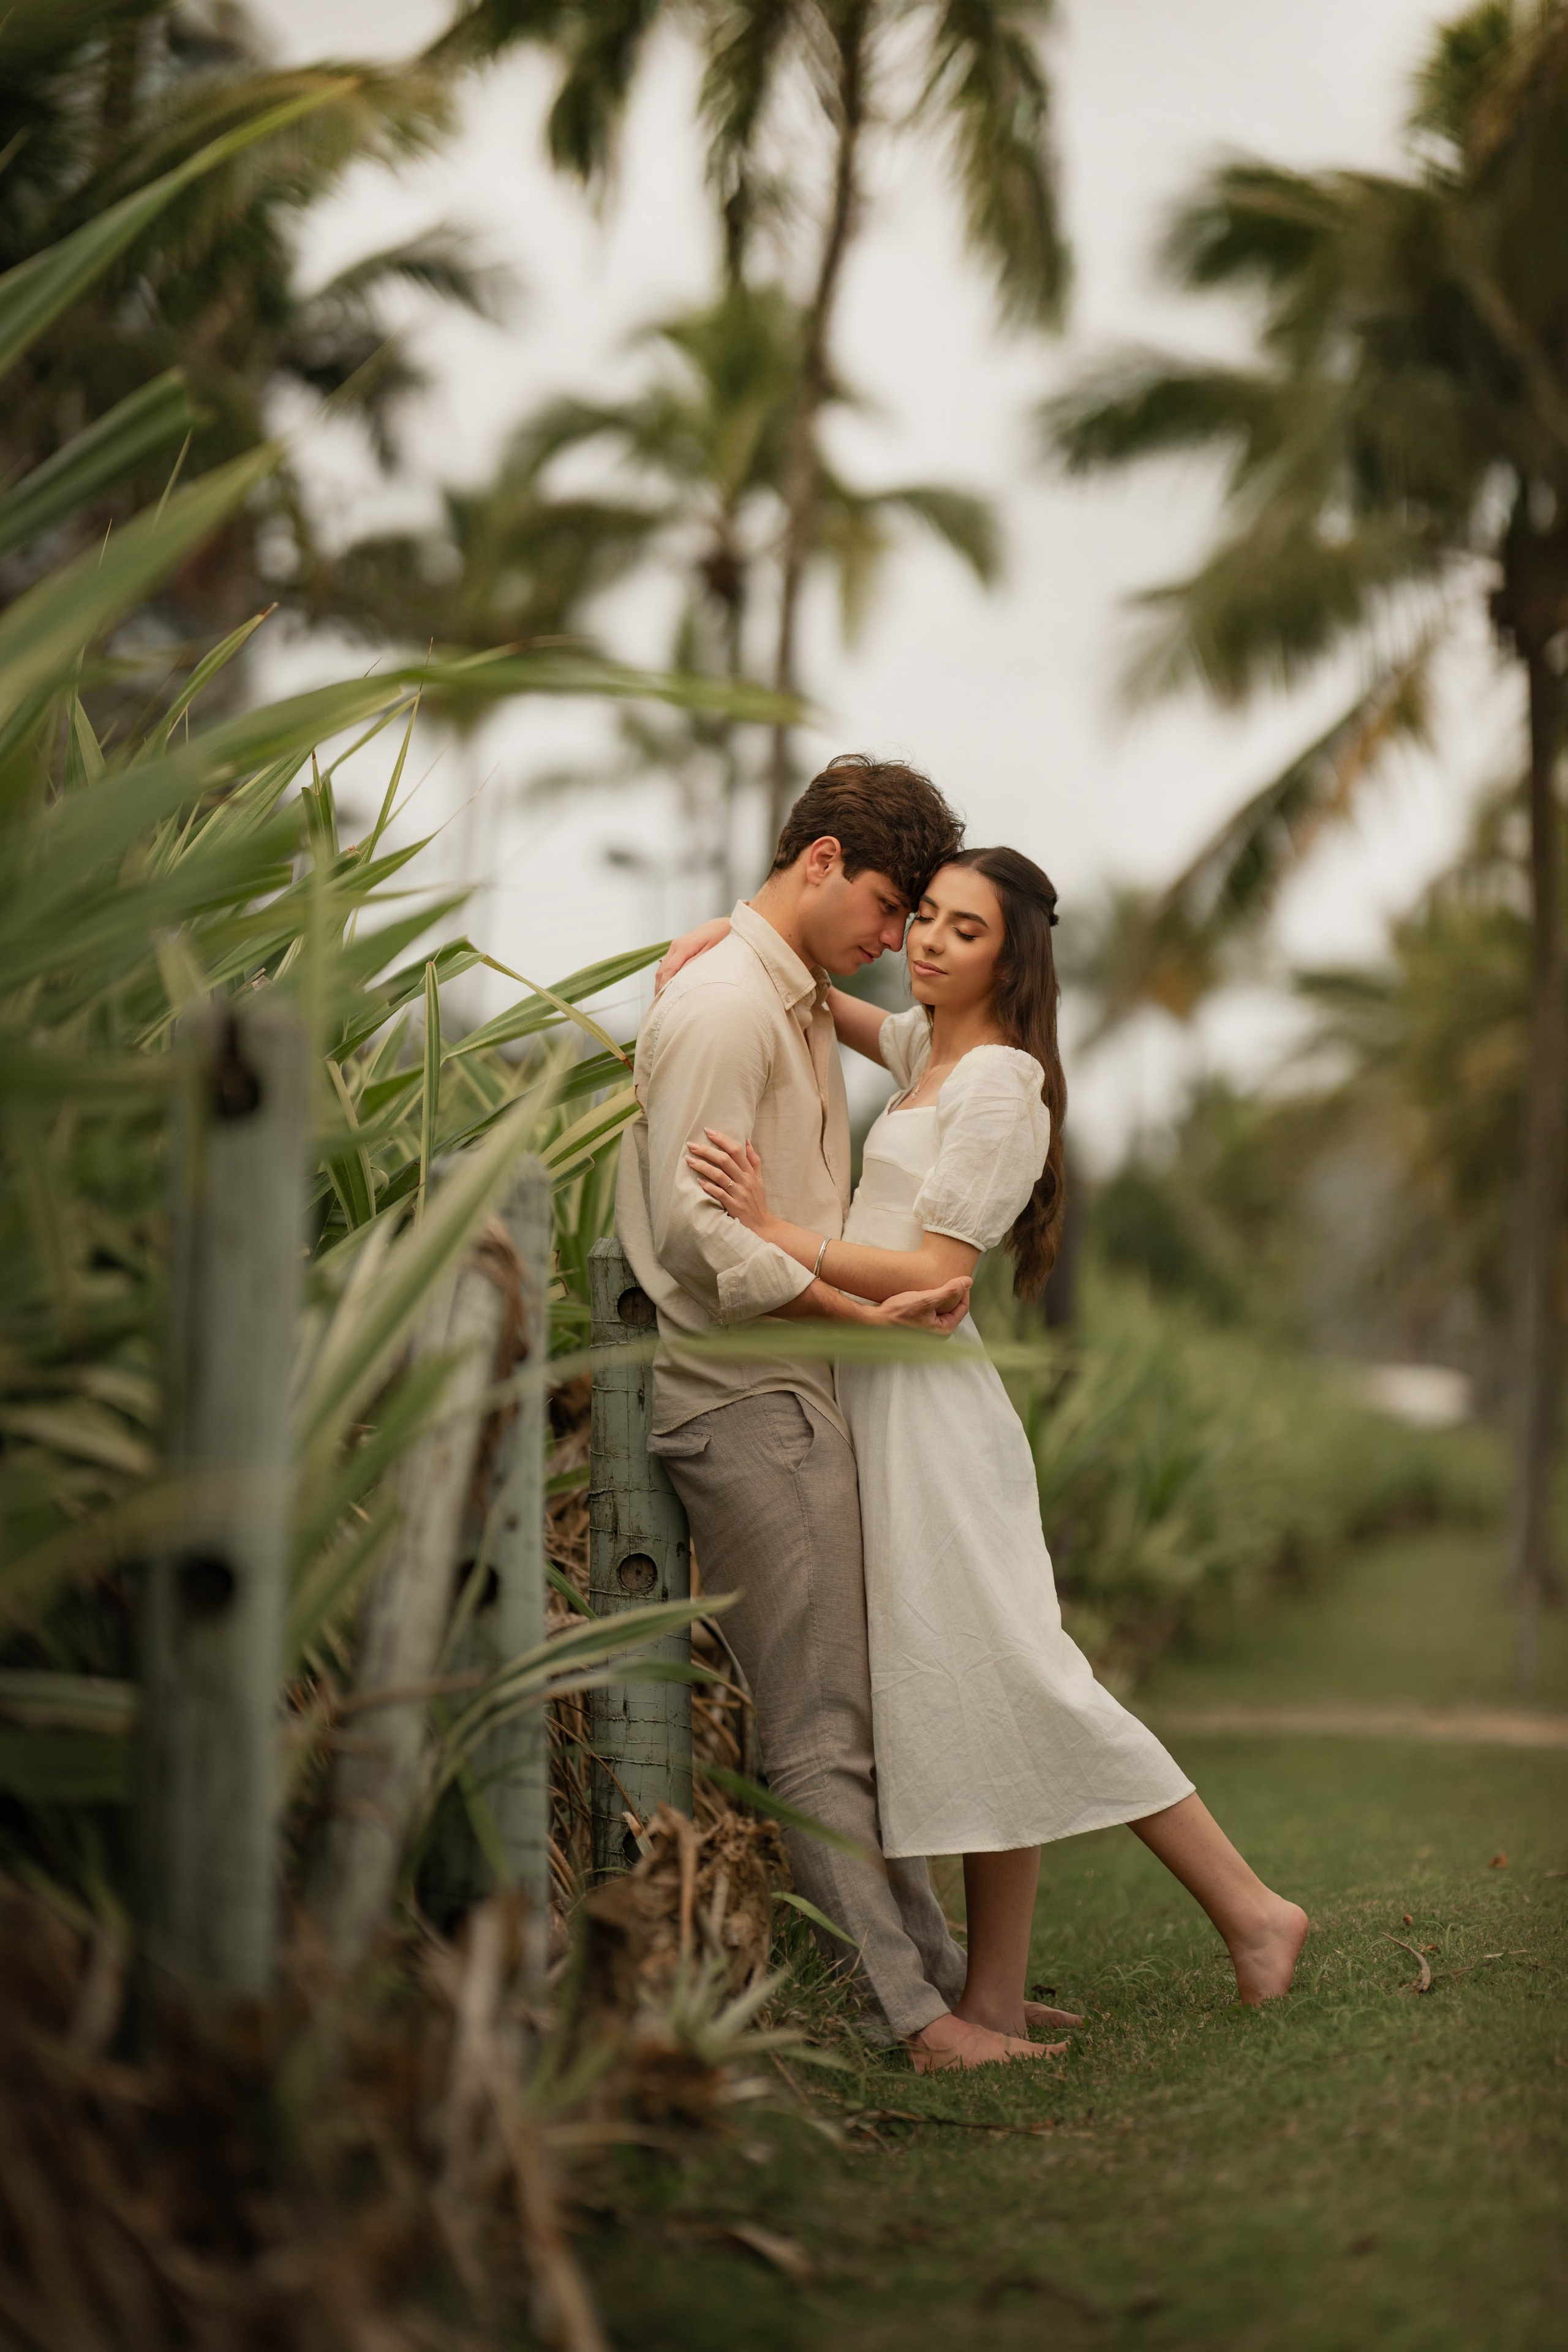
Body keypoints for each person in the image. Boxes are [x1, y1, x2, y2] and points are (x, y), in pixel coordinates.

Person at [667, 843, 1310, 2056]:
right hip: (880, 1398)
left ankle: (1251, 1909)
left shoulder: (1003, 1083)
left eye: (964, 929)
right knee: (971, 1692)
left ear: (1010, 960)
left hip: (931, 1416)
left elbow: (934, 1274)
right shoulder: (928, 1053)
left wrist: (770, 1229)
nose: (925, 940)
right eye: (922, 916)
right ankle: (995, 2002)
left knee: (1022, 1673)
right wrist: (728, 933)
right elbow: (817, 992)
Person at [617, 755, 1061, 2070]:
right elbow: (698, 1236)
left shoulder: (788, 990)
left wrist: (726, 937)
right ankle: (912, 2017)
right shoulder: (727, 1010)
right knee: (816, 1728)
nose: (894, 939)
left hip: (798, 1386)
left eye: (922, 917)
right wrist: (849, 1317)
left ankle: (940, 1980)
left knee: (852, 1710)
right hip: (745, 1394)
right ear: (820, 863)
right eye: (886, 906)